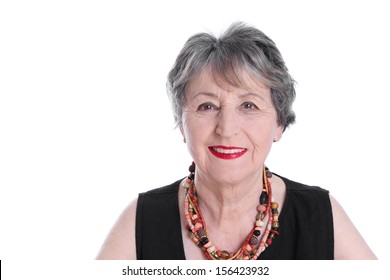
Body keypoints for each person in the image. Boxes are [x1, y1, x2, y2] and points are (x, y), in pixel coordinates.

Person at [96, 22, 377, 260]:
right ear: (181, 123)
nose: (227, 129)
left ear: (279, 123)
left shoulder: (320, 215)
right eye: (207, 106)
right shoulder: (142, 220)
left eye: (249, 106)